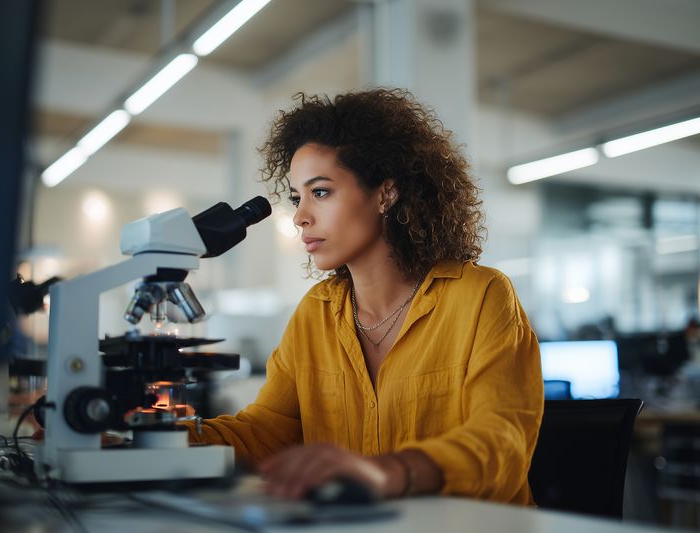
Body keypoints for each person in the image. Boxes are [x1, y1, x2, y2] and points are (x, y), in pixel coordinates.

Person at [187, 88, 543, 503]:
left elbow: (503, 442)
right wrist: (152, 438)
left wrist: (388, 472)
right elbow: (266, 432)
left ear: (384, 194)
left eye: (320, 192)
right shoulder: (315, 314)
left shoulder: (480, 296)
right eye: (297, 198)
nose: (301, 216)